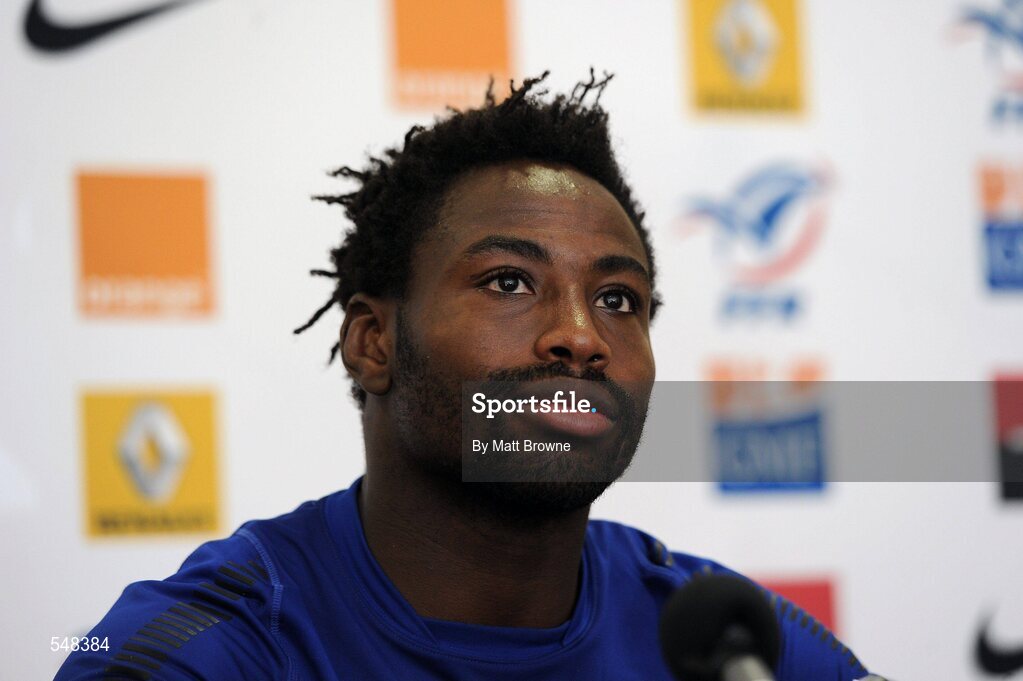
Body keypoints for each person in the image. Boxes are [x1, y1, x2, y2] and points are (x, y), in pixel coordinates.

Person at [55, 72, 876, 680]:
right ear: (373, 342)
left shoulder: (723, 640)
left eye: (618, 298)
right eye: (509, 282)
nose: (580, 337)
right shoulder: (206, 647)